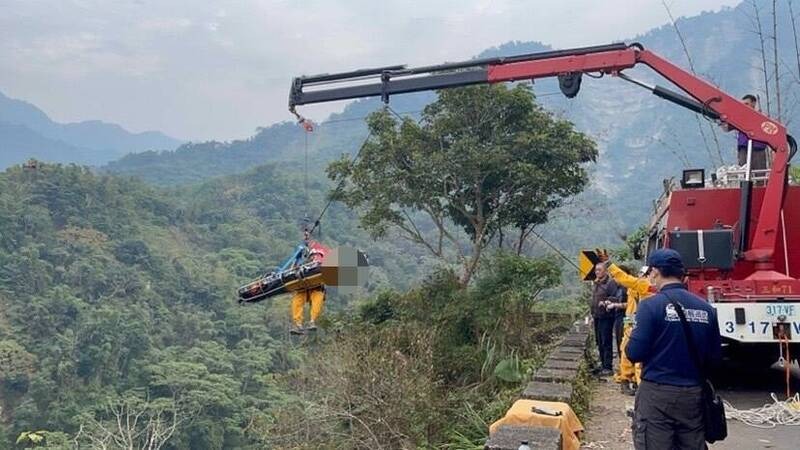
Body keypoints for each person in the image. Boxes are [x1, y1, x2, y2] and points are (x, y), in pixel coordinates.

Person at [626, 249, 722, 449]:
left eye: (650, 272)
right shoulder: (706, 309)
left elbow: (634, 353)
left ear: (655, 272)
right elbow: (714, 359)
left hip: (657, 394)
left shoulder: (650, 306)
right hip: (693, 394)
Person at [287, 229, 330, 335]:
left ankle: (312, 321)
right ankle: (298, 324)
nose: (314, 257)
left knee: (317, 301)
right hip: (303, 287)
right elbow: (293, 269)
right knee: (297, 301)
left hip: (316, 287)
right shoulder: (303, 262)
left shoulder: (321, 263)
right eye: (313, 255)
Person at [722, 94, 769, 172]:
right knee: (743, 173)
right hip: (743, 149)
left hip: (758, 150)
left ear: (753, 103)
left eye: (747, 104)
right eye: (743, 104)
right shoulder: (739, 117)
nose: (744, 106)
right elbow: (726, 128)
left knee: (759, 174)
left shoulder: (762, 117)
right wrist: (722, 119)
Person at [591, 262, 621, 376]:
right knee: (599, 341)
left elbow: (615, 298)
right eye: (596, 270)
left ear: (605, 271)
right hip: (597, 316)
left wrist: (605, 302)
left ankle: (608, 366)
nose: (597, 272)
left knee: (606, 341)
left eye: (599, 270)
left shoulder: (610, 283)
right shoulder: (596, 283)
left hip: (606, 316)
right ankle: (603, 364)